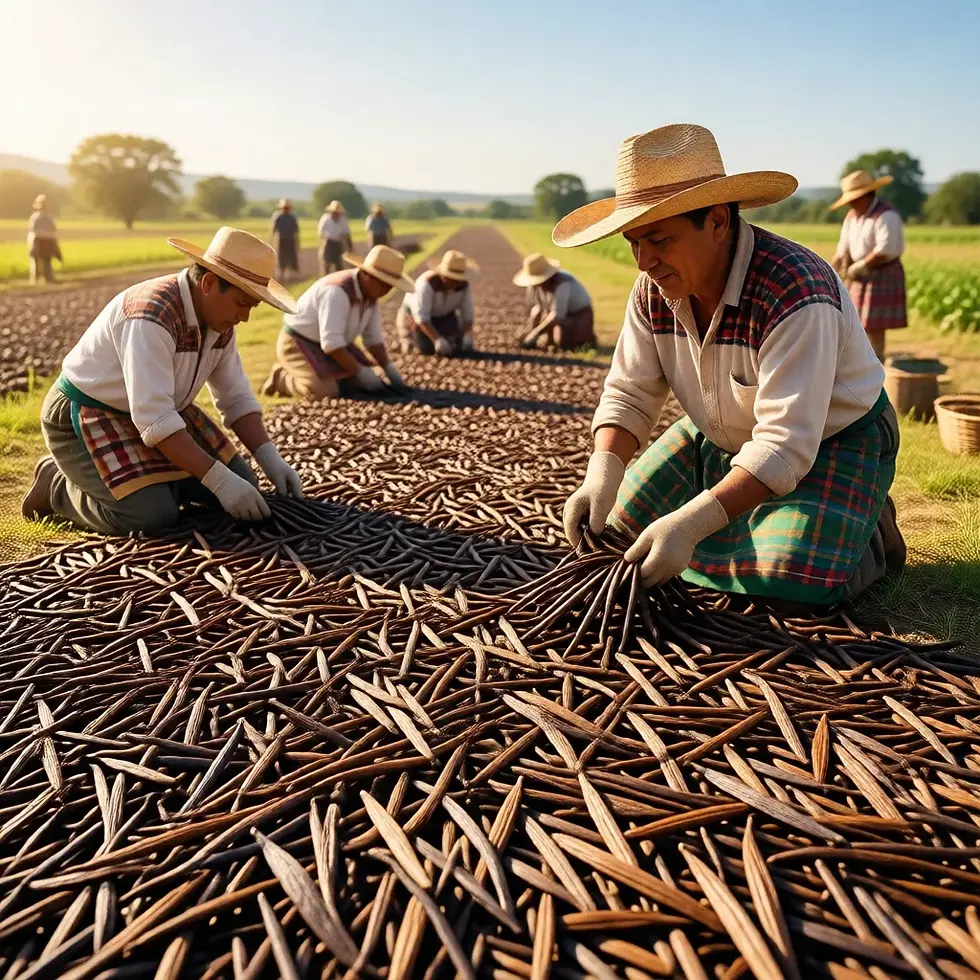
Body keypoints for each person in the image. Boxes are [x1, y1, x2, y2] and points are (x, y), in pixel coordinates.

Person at [558, 123, 905, 606]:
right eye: (633, 242)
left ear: (717, 220)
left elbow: (784, 444)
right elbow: (630, 393)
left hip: (833, 438)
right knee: (617, 536)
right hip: (721, 434)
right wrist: (601, 474)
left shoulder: (795, 289)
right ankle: (758, 515)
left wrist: (693, 522)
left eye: (658, 239)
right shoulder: (654, 291)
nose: (643, 261)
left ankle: (868, 528)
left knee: (790, 575)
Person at [22, 228, 304, 535]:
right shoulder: (150, 316)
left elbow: (234, 397)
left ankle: (159, 484)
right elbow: (154, 418)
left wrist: (269, 457)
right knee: (150, 517)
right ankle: (57, 486)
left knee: (247, 487)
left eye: (252, 306)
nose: (245, 317)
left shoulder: (219, 322)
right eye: (241, 303)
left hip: (161, 416)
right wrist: (218, 481)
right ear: (209, 283)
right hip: (89, 414)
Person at [262, 245, 413, 401]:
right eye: (385, 284)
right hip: (298, 343)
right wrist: (360, 371)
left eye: (390, 286)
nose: (387, 290)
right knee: (325, 391)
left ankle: (327, 376)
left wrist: (388, 367)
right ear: (367, 275)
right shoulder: (337, 292)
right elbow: (331, 344)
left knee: (363, 383)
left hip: (336, 345)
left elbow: (372, 339)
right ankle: (282, 379)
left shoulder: (370, 298)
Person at [830, 171, 907, 362]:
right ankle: (862, 362)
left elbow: (885, 249)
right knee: (854, 322)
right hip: (858, 274)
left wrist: (862, 264)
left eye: (854, 199)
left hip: (881, 273)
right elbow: (843, 247)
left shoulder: (886, 215)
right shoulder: (852, 217)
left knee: (874, 326)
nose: (851, 204)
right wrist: (832, 269)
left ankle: (877, 361)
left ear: (867, 195)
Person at [396, 249, 478, 355]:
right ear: (443, 275)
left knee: (454, 346)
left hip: (444, 316)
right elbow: (421, 317)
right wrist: (437, 340)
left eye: (457, 279)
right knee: (427, 349)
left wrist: (462, 336)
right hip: (415, 316)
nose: (454, 283)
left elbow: (468, 317)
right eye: (450, 278)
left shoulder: (463, 287)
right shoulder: (426, 284)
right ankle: (407, 339)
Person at [514, 254, 596, 351]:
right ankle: (550, 340)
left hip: (579, 314)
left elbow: (558, 315)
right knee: (544, 320)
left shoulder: (563, 283)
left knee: (564, 343)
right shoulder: (535, 287)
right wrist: (529, 330)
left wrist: (535, 333)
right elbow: (538, 308)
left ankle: (587, 338)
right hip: (560, 314)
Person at [27, 194, 61, 285]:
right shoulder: (49, 217)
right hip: (47, 241)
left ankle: (35, 279)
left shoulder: (35, 217)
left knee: (35, 261)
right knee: (47, 261)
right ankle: (48, 278)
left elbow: (32, 229)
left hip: (37, 240)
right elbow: (54, 231)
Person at [270, 198, 301, 282]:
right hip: (281, 239)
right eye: (284, 208)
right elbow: (273, 230)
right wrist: (272, 241)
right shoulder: (277, 217)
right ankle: (281, 276)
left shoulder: (292, 217)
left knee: (291, 258)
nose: (286, 209)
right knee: (281, 258)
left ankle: (290, 276)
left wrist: (297, 243)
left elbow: (296, 232)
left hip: (290, 239)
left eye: (287, 208)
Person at [318, 201, 352, 276]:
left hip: (338, 244)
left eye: (337, 213)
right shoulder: (325, 219)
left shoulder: (343, 220)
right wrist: (322, 247)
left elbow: (347, 235)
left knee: (339, 266)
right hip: (328, 243)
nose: (336, 214)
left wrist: (350, 249)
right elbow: (321, 234)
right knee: (326, 265)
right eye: (334, 212)